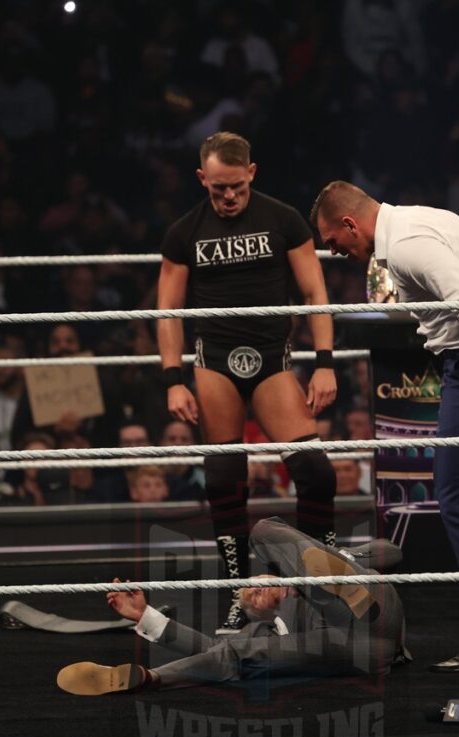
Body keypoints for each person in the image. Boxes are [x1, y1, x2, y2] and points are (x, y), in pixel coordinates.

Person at [311, 180, 459, 672]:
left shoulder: (405, 247)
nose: (337, 252)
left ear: (351, 224)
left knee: (458, 498)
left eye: (336, 241)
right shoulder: (427, 217)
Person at [158, 132, 338, 634]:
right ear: (202, 180)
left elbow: (313, 289)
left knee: (318, 474)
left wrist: (325, 362)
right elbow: (166, 311)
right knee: (222, 479)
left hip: (270, 358)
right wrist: (173, 379)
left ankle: (318, 588)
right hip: (212, 358)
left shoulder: (283, 219)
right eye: (218, 189)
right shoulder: (183, 232)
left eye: (236, 187)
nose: (229, 197)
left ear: (252, 174)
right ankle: (242, 594)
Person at [56, 517, 405, 695]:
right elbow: (214, 651)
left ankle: (333, 582)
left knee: (264, 529)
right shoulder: (262, 632)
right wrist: (145, 616)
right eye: (252, 600)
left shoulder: (318, 572)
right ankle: (149, 679)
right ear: (261, 615)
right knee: (240, 655)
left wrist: (341, 557)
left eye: (254, 586)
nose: (254, 593)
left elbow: (393, 549)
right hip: (347, 649)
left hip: (376, 610)